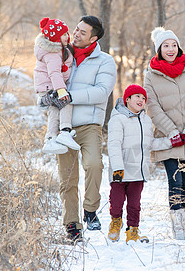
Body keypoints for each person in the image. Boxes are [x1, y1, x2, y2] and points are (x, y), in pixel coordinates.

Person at [42, 15, 117, 242]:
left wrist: (70, 96)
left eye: (82, 32)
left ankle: (90, 209)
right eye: (76, 29)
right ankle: (72, 226)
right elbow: (46, 80)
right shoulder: (61, 54)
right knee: (67, 179)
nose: (76, 34)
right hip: (64, 129)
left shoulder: (105, 61)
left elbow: (102, 91)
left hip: (90, 125)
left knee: (94, 164)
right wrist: (47, 97)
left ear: (93, 38)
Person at [143, 27, 185, 240]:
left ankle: (184, 220)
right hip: (167, 139)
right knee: (175, 180)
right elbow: (152, 106)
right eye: (165, 46)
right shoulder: (151, 75)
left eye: (173, 45)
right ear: (158, 49)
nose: (170, 49)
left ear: (178, 47)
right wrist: (171, 132)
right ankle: (177, 227)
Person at [107, 84, 172, 243]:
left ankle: (133, 231)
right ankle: (116, 222)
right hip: (120, 171)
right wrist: (117, 167)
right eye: (137, 96)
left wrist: (170, 142)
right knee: (116, 203)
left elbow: (150, 144)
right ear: (127, 99)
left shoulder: (146, 120)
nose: (141, 100)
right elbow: (114, 144)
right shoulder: (117, 119)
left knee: (135, 205)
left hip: (138, 171)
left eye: (143, 98)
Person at [34, 17, 80, 154]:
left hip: (46, 87)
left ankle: (50, 139)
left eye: (67, 33)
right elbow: (54, 73)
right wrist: (61, 91)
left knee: (54, 110)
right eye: (63, 35)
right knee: (66, 102)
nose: (67, 36)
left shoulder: (58, 49)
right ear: (55, 38)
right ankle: (65, 132)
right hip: (51, 87)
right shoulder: (53, 53)